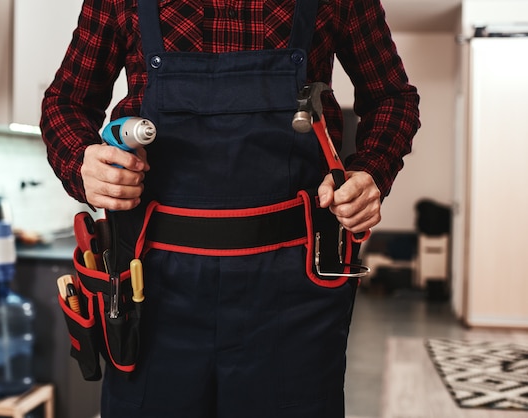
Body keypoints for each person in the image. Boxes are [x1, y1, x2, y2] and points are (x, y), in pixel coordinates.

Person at [41, 1, 420, 417]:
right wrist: (83, 162)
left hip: (294, 295)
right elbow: (65, 102)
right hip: (150, 293)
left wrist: (370, 173)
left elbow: (392, 97)